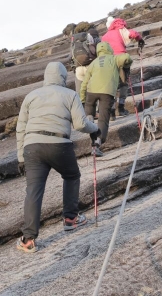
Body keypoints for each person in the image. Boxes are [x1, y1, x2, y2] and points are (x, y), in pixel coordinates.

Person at [15, 62, 100, 253]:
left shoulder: (31, 96)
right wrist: (96, 128)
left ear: (46, 77)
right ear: (62, 77)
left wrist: (21, 157)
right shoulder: (70, 95)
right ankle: (71, 219)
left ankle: (28, 239)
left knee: (34, 190)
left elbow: (20, 128)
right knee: (71, 176)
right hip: (59, 145)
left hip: (32, 146)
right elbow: (80, 124)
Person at [80, 42, 132, 157]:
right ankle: (97, 145)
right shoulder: (114, 59)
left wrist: (82, 99)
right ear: (109, 49)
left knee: (89, 115)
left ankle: (90, 124)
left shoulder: (93, 63)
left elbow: (84, 83)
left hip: (91, 92)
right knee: (103, 119)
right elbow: (127, 58)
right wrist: (126, 63)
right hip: (107, 93)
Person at [101, 16, 145, 117]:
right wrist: (140, 39)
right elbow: (133, 34)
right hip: (121, 58)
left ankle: (111, 111)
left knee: (112, 86)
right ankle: (121, 108)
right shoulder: (120, 29)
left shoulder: (104, 36)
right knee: (124, 84)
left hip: (109, 61)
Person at [71, 27, 101, 96]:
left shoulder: (75, 45)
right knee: (95, 90)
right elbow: (95, 53)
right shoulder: (93, 42)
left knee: (79, 92)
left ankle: (81, 105)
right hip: (90, 68)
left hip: (78, 69)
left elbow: (71, 58)